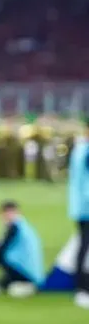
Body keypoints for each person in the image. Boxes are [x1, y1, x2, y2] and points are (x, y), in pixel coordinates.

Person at [0, 200, 44, 298]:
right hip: (28, 270)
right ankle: (3, 282)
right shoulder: (23, 225)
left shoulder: (14, 227)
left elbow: (1, 249)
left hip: (23, 269)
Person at [68, 122, 89, 308]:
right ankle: (82, 288)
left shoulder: (79, 149)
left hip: (80, 206)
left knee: (83, 245)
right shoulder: (86, 151)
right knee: (84, 246)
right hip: (86, 206)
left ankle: (81, 287)